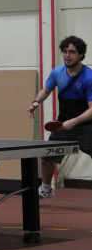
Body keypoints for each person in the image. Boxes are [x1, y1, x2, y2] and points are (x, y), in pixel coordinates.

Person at [27, 36, 92, 198]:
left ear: (81, 54)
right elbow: (46, 90)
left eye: (72, 52)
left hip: (87, 125)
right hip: (63, 125)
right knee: (47, 158)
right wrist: (36, 102)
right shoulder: (57, 72)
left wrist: (74, 122)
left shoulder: (89, 77)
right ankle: (46, 190)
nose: (67, 55)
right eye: (64, 51)